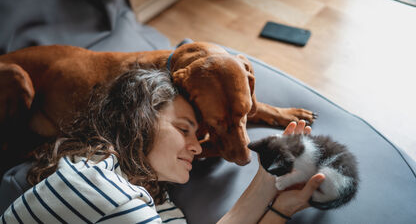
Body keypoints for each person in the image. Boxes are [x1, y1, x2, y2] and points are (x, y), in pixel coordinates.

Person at [0, 68, 324, 223]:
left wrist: (277, 198)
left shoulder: (158, 201)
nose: (197, 149)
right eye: (184, 129)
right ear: (137, 119)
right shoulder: (97, 184)